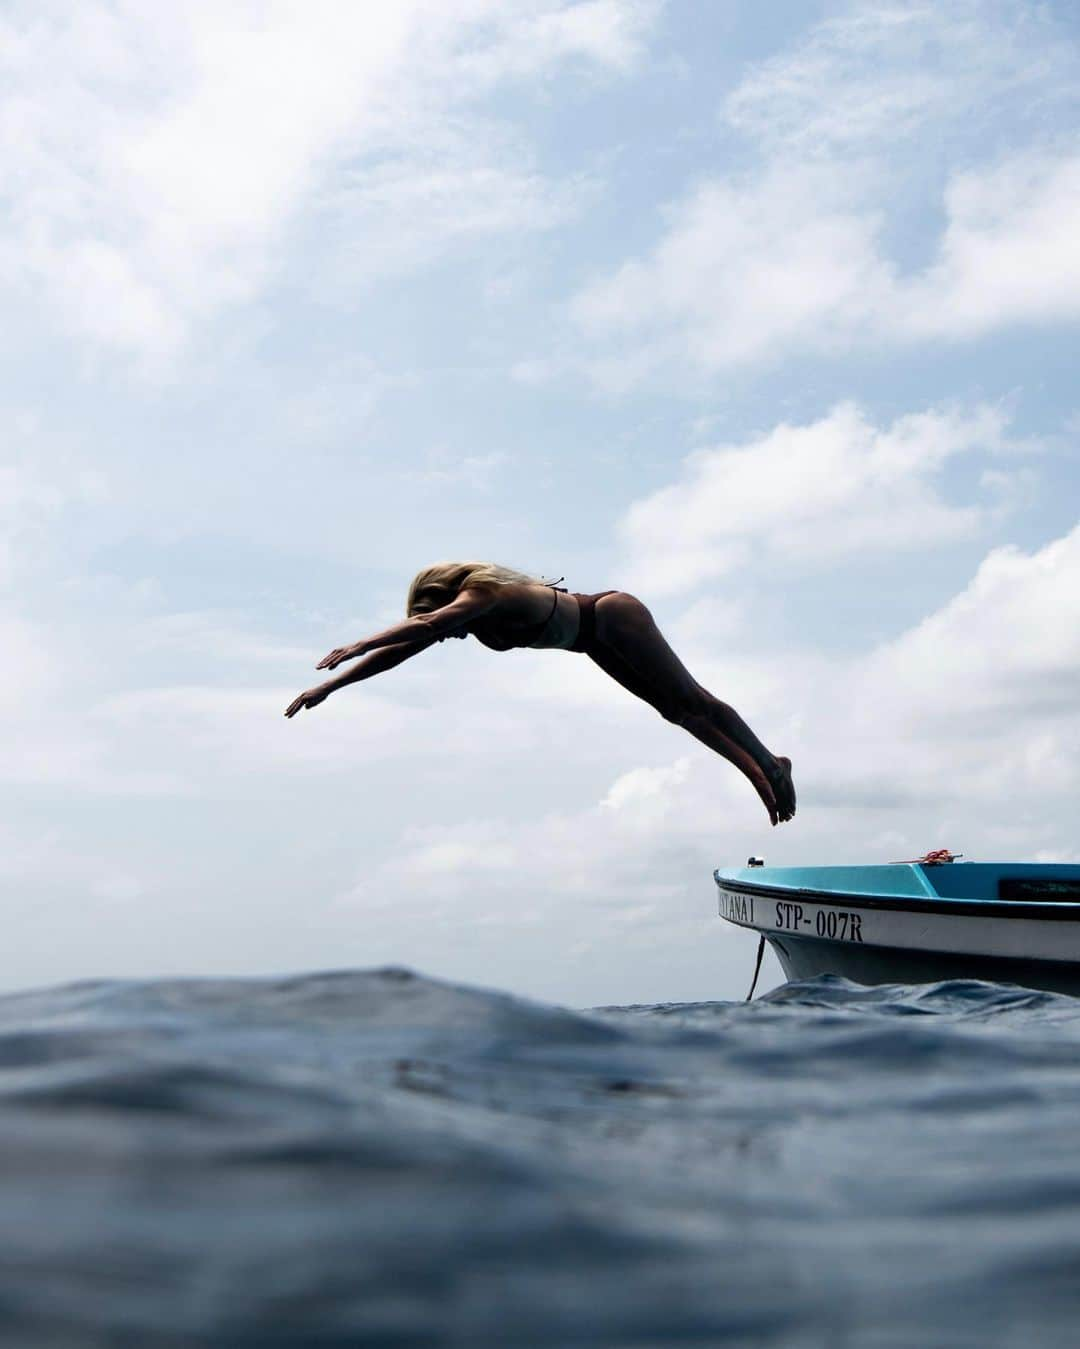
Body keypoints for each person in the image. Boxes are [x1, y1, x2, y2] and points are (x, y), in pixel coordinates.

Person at [285, 562, 795, 825]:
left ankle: (767, 767)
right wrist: (332, 686)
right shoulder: (461, 615)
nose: (445, 631)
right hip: (592, 642)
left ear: (443, 595)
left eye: (430, 615)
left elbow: (434, 624)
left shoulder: (480, 595)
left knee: (693, 702)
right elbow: (409, 647)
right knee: (676, 713)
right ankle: (763, 767)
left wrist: (357, 642)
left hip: (611, 615)